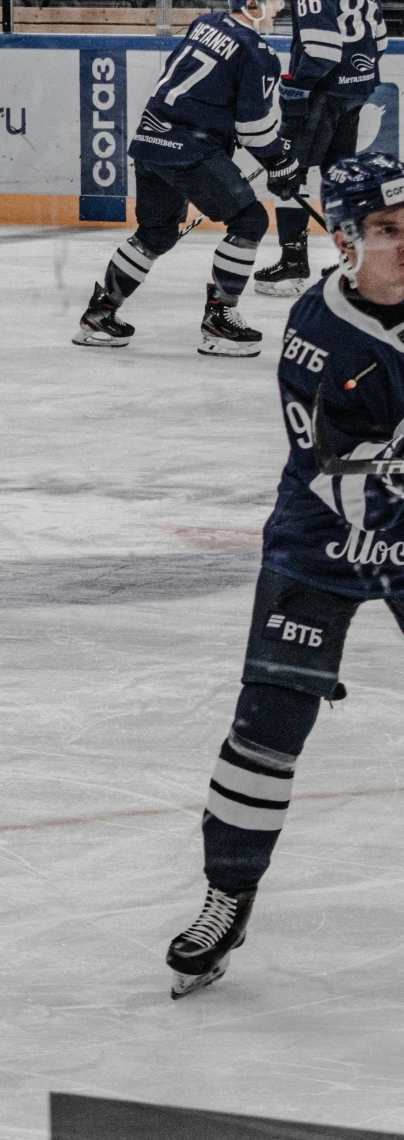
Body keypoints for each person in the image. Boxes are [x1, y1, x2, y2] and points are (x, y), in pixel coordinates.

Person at [166, 152, 404, 996]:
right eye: (385, 232)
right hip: (323, 539)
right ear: (343, 241)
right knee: (264, 728)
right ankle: (224, 898)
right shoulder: (319, 333)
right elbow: (335, 476)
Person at [72, 0, 302, 357]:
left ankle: (100, 315)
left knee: (156, 235)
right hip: (190, 148)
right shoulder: (258, 53)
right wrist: (281, 160)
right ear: (252, 3)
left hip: (149, 139)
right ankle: (220, 319)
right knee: (250, 221)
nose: (279, 6)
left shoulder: (205, 23)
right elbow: (254, 128)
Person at [256, 0, 387, 297]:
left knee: (287, 176)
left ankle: (293, 266)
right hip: (357, 91)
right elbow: (378, 38)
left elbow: (323, 48)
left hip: (322, 93)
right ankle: (354, 263)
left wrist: (296, 85)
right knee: (338, 178)